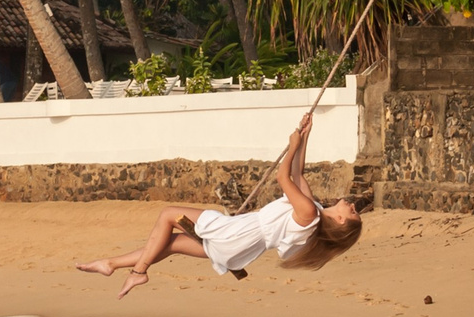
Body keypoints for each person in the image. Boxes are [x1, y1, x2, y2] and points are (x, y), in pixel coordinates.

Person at [76, 111, 363, 298]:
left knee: (168, 215)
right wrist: (305, 135)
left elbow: (283, 176)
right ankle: (110, 264)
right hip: (240, 247)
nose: (352, 207)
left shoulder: (309, 213)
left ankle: (138, 273)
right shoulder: (310, 212)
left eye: (352, 214)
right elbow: (299, 174)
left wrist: (290, 145)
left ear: (339, 221)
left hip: (238, 234)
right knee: (173, 242)